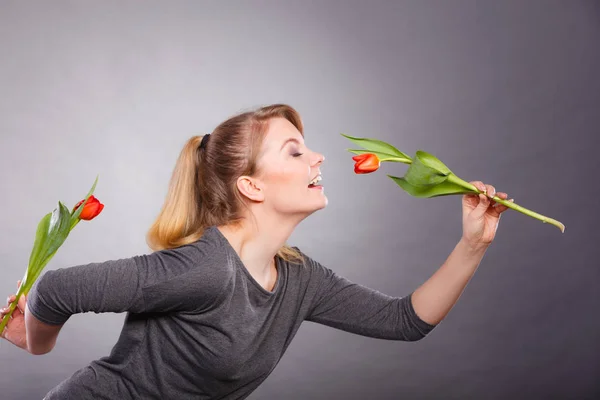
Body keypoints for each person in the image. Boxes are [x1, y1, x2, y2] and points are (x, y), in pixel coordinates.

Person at [1, 104, 511, 399]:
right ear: (252, 186)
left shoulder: (299, 279)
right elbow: (59, 288)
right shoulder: (204, 269)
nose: (319, 157)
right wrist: (36, 341)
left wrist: (473, 243)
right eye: (295, 151)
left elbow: (405, 321)